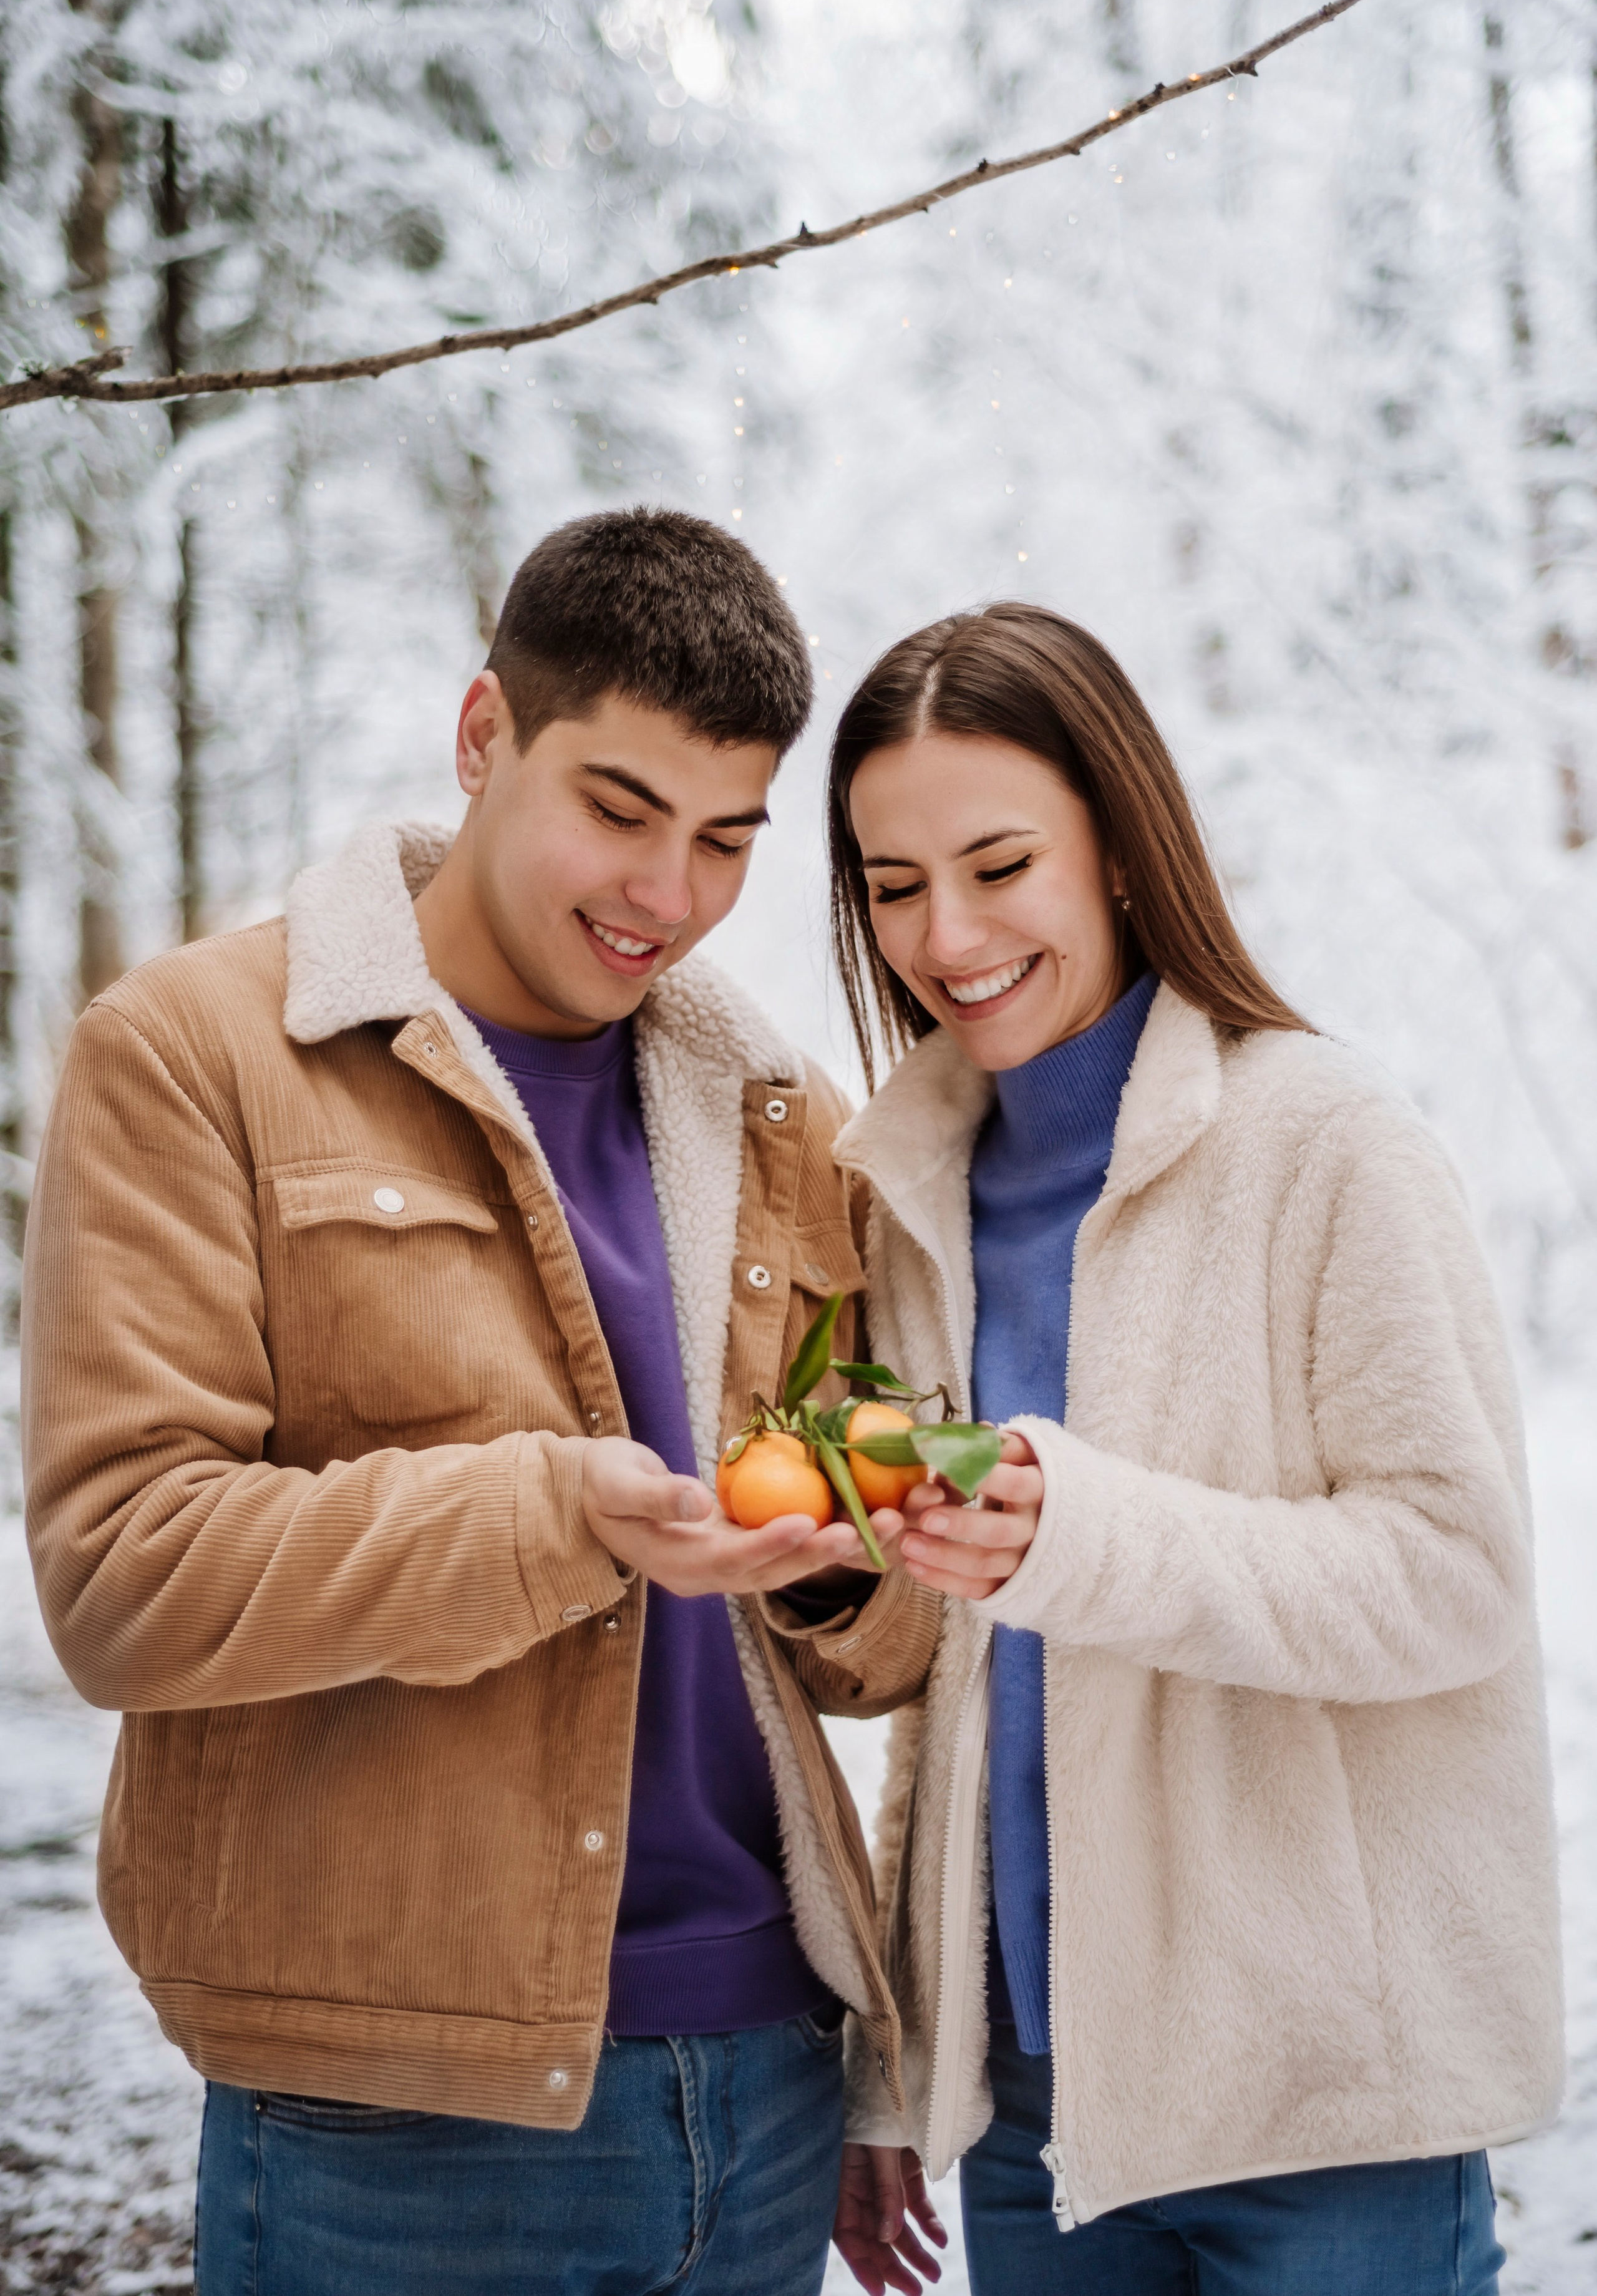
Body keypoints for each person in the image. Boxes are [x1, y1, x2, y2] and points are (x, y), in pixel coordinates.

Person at [22, 508, 940, 2296]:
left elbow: (872, 1640)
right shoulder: (198, 1054)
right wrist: (553, 1516)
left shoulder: (783, 1112)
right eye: (619, 808)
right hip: (397, 2117)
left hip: (768, 2075)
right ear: (482, 734)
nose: (667, 893)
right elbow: (124, 1575)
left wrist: (851, 1556)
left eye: (726, 838)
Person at [822, 603, 1563, 2296]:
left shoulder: (1327, 1141)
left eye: (1001, 864)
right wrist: (898, 2064)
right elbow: (958, 1689)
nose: (947, 933)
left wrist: (1079, 1539)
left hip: (1324, 2107)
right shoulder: (905, 1200)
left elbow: (1455, 1577)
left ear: (1121, 843)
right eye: (894, 884)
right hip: (1039, 2114)